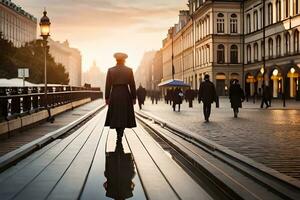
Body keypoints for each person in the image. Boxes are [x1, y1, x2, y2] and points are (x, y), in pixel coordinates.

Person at [105, 52, 137, 140]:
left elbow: (107, 85)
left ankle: (118, 132)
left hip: (114, 93)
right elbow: (132, 85)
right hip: (125, 93)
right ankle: (121, 131)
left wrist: (107, 97)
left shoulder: (111, 70)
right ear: (124, 60)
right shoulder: (129, 70)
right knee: (124, 114)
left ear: (116, 60)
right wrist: (134, 97)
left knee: (115, 114)